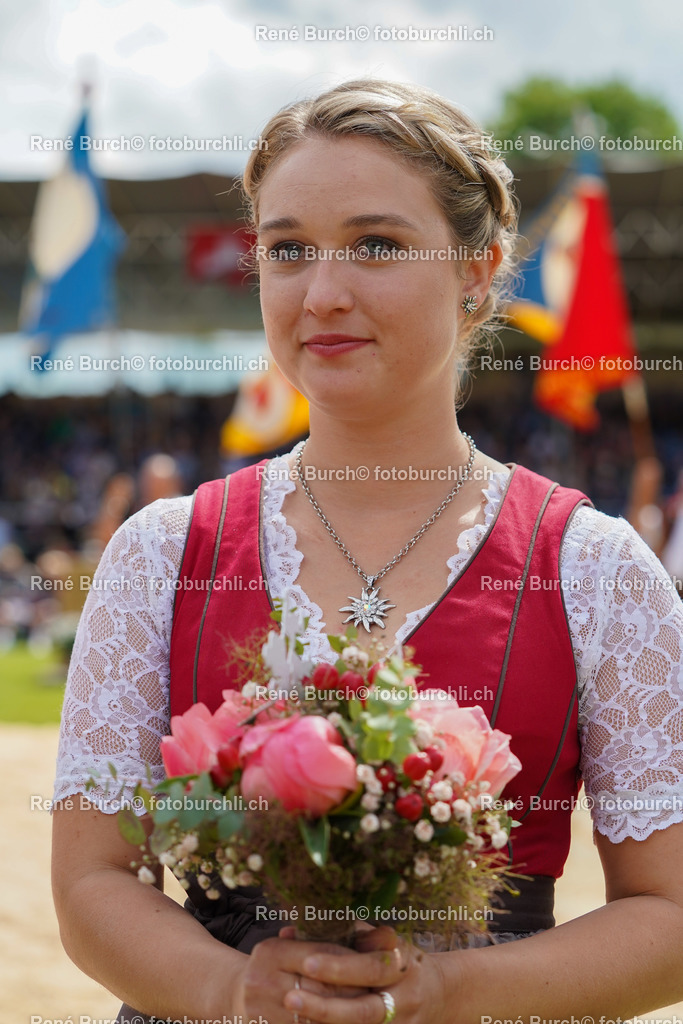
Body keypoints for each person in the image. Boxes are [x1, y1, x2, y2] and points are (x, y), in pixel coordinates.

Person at [51, 79, 683, 1024]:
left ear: (479, 268)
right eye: (287, 250)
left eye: (376, 245)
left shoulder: (595, 571)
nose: (323, 292)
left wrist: (453, 990)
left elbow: (666, 909)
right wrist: (230, 986)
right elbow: (93, 879)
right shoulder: (162, 555)